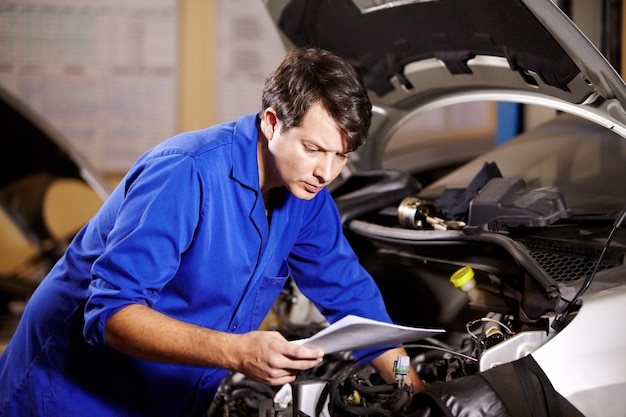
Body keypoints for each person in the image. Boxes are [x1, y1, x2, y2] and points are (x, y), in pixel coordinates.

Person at [0, 47, 422, 416]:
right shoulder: (186, 172)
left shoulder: (308, 200)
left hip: (174, 397)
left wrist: (411, 390)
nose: (325, 172)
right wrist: (238, 350)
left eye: (341, 156)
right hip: (69, 393)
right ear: (272, 123)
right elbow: (110, 315)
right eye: (313, 149)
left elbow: (357, 304)